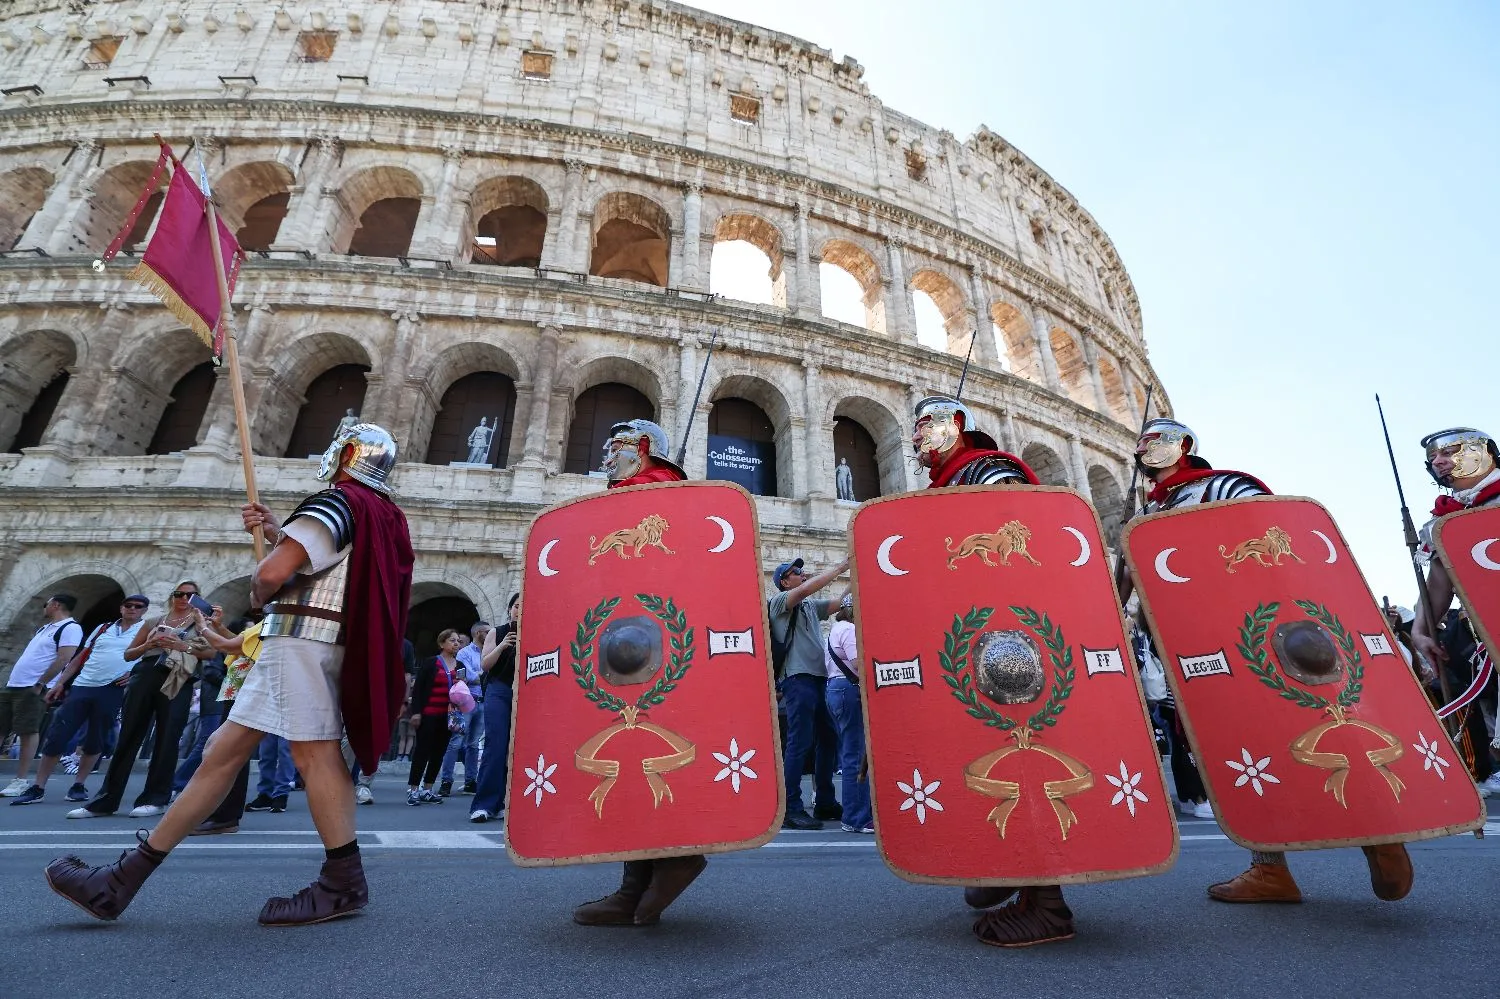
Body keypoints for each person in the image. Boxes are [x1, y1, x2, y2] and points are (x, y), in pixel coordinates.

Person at [45, 421, 414, 925]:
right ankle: (120, 880)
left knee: (313, 752)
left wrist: (264, 587)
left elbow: (271, 575)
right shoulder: (380, 511)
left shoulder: (337, 501)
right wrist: (281, 533)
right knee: (223, 751)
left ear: (348, 452)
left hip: (299, 642)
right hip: (316, 642)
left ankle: (343, 883)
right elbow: (327, 564)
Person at [1132, 417, 1412, 906]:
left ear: (1185, 446)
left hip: (1252, 633)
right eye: (1144, 440)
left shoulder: (1222, 486)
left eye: (1159, 439)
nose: (1147, 447)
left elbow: (1272, 540)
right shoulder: (1154, 509)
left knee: (1302, 728)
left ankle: (1379, 835)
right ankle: (1270, 867)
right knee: (1237, 749)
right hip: (1195, 643)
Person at [904, 395, 1082, 947]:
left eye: (926, 424)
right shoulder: (945, 485)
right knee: (986, 755)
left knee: (1023, 754)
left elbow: (1016, 549)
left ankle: (1048, 903)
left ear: (958, 425)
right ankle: (1014, 870)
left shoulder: (991, 472)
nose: (915, 435)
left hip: (1010, 640)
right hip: (975, 639)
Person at [573, 419, 707, 928]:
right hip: (620, 647)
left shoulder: (662, 496)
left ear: (645, 452)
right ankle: (635, 884)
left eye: (619, 447)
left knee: (651, 756)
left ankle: (674, 859)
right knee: (627, 756)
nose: (608, 457)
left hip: (656, 648)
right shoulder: (618, 502)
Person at [66, 582, 213, 818]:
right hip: (145, 674)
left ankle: (155, 798)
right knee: (129, 735)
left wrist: (180, 645)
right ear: (172, 596)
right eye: (179, 593)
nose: (184, 598)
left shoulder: (202, 622)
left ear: (197, 598)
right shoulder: (154, 621)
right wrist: (150, 644)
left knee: (167, 738)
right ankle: (106, 799)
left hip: (177, 677)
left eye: (190, 594)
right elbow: (129, 654)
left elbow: (211, 653)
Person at [1410, 428, 1500, 794]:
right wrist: (1420, 630)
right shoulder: (1447, 521)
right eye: (1433, 458)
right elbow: (1438, 586)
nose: (1439, 462)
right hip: (1486, 639)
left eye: (1449, 452)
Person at [13, 596, 149, 805]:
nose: (132, 609)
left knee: (95, 738)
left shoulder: (146, 631)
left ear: (144, 611)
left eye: (137, 606)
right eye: (128, 605)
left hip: (112, 689)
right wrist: (61, 682)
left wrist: (135, 674)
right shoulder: (103, 628)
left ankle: (79, 784)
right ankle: (38, 786)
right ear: (121, 608)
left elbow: (149, 659)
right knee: (59, 734)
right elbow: (81, 656)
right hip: (83, 685)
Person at [769, 555, 848, 831]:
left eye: (802, 571)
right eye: (795, 572)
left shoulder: (810, 608)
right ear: (783, 581)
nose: (801, 574)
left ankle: (825, 801)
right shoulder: (779, 603)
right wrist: (841, 568)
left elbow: (843, 604)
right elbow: (804, 590)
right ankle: (791, 807)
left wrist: (857, 573)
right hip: (797, 678)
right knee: (799, 742)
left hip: (819, 679)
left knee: (828, 740)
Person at [0, 595, 83, 797]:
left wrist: (41, 683)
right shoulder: (45, 628)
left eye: (46, 604)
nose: (43, 608)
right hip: (14, 684)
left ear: (55, 605)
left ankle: (20, 780)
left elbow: (65, 657)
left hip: (33, 686)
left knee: (27, 731)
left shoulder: (70, 628)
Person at [823, 594, 871, 834]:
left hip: (835, 690)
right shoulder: (849, 629)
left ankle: (853, 815)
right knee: (857, 755)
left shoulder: (835, 630)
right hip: (849, 690)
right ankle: (858, 817)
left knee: (849, 754)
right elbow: (858, 663)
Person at [471, 598, 518, 823]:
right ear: (510, 610)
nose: (520, 610)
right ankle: (483, 804)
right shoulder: (497, 633)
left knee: (515, 749)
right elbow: (485, 665)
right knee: (496, 745)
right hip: (499, 690)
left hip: (524, 693)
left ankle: (503, 803)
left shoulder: (538, 632)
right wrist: (503, 645)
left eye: (525, 605)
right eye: (516, 606)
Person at [407, 630, 460, 804]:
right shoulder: (431, 663)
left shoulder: (460, 666)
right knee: (422, 752)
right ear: (442, 643)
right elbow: (419, 689)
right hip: (429, 714)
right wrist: (416, 712)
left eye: (458, 641)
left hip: (448, 717)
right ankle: (413, 789)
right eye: (452, 640)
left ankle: (428, 789)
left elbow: (461, 691)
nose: (456, 644)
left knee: (439, 753)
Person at [441, 620, 490, 795]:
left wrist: (479, 675)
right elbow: (468, 677)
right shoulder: (464, 653)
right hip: (466, 702)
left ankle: (471, 781)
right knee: (456, 741)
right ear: (478, 633)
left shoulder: (489, 652)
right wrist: (483, 675)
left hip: (483, 700)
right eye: (487, 631)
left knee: (474, 744)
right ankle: (446, 781)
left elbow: (479, 676)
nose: (490, 634)